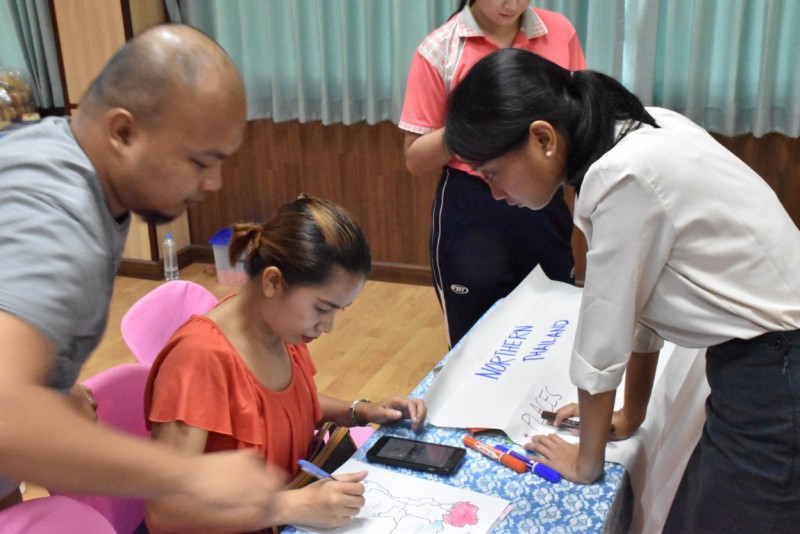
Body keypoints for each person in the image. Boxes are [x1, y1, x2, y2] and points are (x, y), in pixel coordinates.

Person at [444, 48, 800, 531]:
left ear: (543, 138)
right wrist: (631, 413)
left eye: (492, 174)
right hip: (767, 358)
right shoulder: (642, 128)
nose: (496, 194)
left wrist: (586, 461)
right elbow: (642, 299)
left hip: (778, 370)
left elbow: (604, 333)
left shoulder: (621, 175)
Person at [0, 23, 287, 523]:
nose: (214, 183)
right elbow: (6, 416)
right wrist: (187, 474)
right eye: (200, 161)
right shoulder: (58, 217)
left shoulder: (56, 151)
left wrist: (46, 387)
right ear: (123, 132)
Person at [142, 195, 427, 532]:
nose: (328, 326)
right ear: (273, 282)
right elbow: (164, 516)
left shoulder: (279, 326)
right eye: (321, 308)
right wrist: (289, 505)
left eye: (338, 310)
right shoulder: (198, 359)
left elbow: (285, 405)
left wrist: (360, 411)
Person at [399, 0, 585, 347]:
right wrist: (476, 123)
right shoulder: (440, 49)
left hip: (543, 199)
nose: (511, 3)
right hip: (473, 208)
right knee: (473, 342)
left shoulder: (560, 31)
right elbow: (416, 159)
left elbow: (579, 119)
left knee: (552, 330)